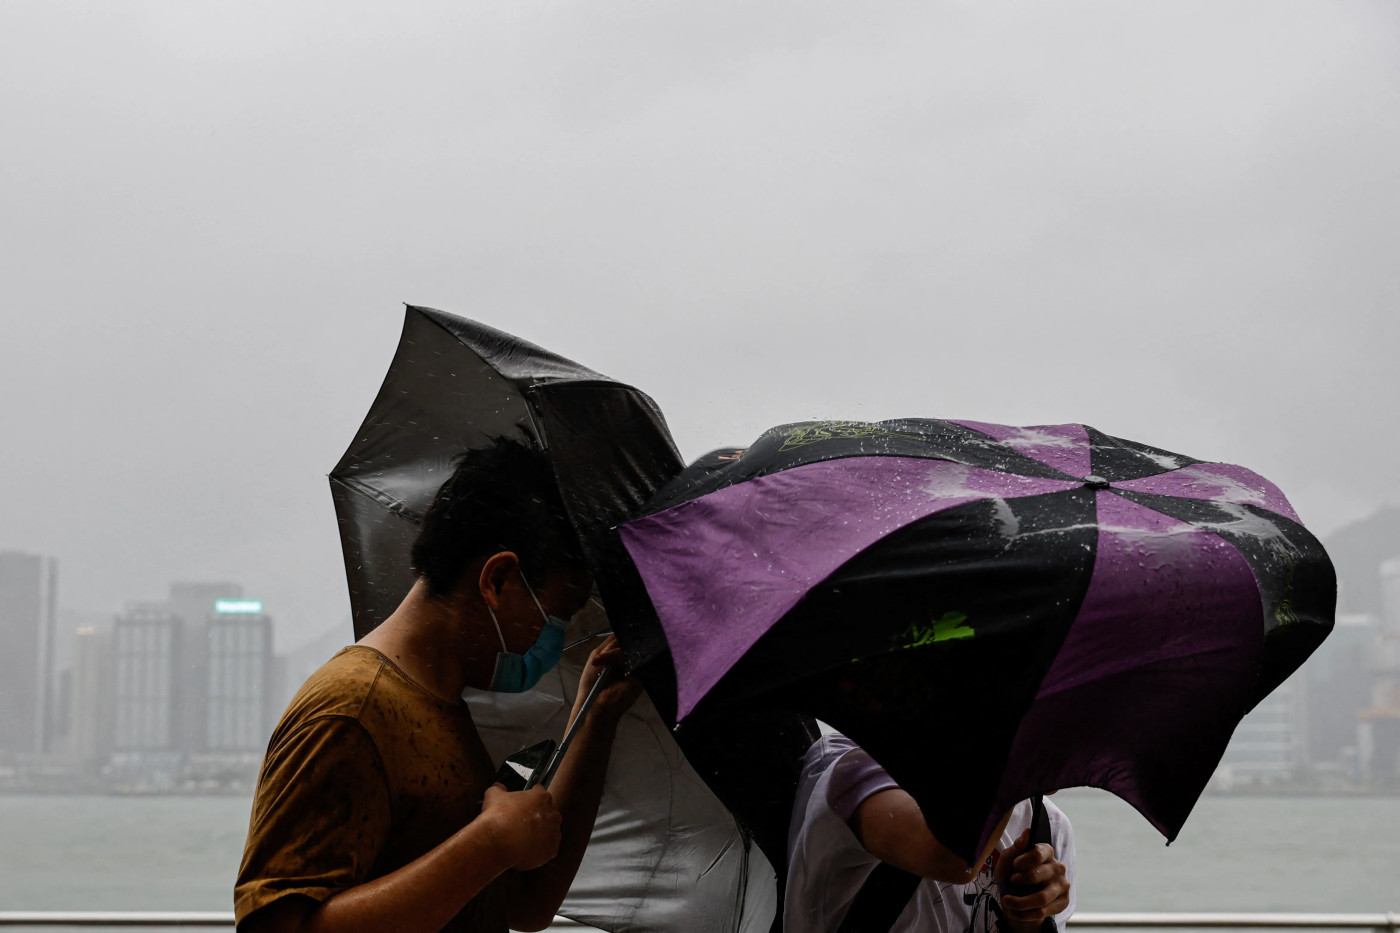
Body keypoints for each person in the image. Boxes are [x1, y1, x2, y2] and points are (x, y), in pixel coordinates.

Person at [235, 439, 641, 933]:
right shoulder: (352, 710)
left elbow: (524, 904)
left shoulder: (441, 705)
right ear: (499, 580)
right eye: (558, 612)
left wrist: (597, 715)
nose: (554, 638)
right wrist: (489, 842)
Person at [786, 731, 1075, 933]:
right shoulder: (851, 768)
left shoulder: (1047, 824)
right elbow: (955, 859)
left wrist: (1025, 922)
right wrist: (1019, 766)